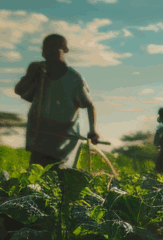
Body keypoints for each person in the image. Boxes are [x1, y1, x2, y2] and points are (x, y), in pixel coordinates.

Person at [14, 34, 100, 167]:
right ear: (43, 52)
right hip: (39, 135)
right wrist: (30, 75)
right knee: (36, 175)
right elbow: (20, 90)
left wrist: (93, 131)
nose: (49, 53)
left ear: (64, 50)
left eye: (54, 48)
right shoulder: (38, 71)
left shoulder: (74, 79)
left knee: (56, 174)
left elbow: (89, 105)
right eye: (47, 49)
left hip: (63, 139)